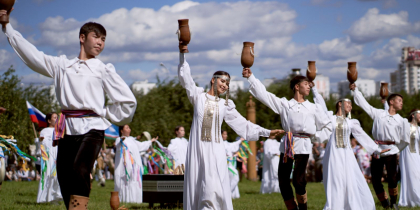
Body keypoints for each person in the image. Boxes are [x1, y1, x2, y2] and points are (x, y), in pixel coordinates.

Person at [1, 8, 137, 209]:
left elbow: (127, 101)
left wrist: (105, 113)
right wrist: (7, 26)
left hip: (93, 127)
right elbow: (32, 56)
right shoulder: (62, 66)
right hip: (66, 128)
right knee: (63, 174)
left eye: (104, 39)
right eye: (96, 37)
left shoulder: (102, 69)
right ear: (82, 38)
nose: (100, 42)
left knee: (80, 168)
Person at [179, 43, 282, 210]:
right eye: (222, 81)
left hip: (216, 151)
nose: (225, 85)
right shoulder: (198, 96)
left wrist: (267, 132)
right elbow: (186, 79)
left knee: (212, 188)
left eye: (228, 83)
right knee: (200, 187)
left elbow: (244, 125)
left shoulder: (225, 105)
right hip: (198, 151)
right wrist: (182, 55)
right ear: (213, 80)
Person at [243, 68, 332, 210]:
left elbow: (328, 126)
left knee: (298, 181)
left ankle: (303, 208)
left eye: (309, 85)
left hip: (303, 145)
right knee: (283, 181)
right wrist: (251, 77)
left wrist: (315, 137)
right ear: (297, 87)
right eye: (306, 84)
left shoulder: (313, 108)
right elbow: (265, 95)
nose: (309, 86)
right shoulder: (285, 104)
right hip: (288, 145)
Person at [313, 86, 388, 210]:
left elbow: (362, 135)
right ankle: (335, 206)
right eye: (348, 103)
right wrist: (314, 90)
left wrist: (376, 149)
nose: (350, 106)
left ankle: (351, 205)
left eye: (351, 105)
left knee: (351, 179)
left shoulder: (351, 122)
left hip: (347, 155)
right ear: (340, 104)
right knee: (335, 179)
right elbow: (321, 106)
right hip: (333, 154)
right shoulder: (330, 118)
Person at [350, 83, 409, 208]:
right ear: (391, 102)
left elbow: (405, 140)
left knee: (392, 179)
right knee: (376, 180)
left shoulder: (401, 120)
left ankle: (393, 203)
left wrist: (396, 150)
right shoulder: (378, 114)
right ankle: (385, 203)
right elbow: (364, 104)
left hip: (392, 151)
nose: (401, 103)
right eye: (399, 100)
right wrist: (355, 89)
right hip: (377, 150)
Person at [114, 124, 156, 203]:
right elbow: (118, 144)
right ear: (122, 131)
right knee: (126, 182)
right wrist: (121, 140)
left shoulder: (132, 140)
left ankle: (136, 200)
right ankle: (124, 199)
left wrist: (150, 141)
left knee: (134, 182)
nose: (129, 129)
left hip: (134, 167)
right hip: (125, 167)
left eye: (129, 127)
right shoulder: (119, 140)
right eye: (127, 128)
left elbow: (141, 145)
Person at [36, 112, 62, 203]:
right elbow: (42, 145)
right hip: (48, 156)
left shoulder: (60, 131)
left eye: (57, 117)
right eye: (54, 117)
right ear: (49, 120)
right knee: (48, 175)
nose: (57, 119)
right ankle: (43, 199)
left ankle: (54, 198)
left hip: (58, 155)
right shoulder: (45, 131)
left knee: (58, 177)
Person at [398, 109, 420, 207]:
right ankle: (415, 199)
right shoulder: (406, 126)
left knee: (417, 175)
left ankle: (414, 200)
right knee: (412, 175)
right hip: (407, 154)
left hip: (416, 155)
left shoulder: (419, 129)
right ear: (413, 115)